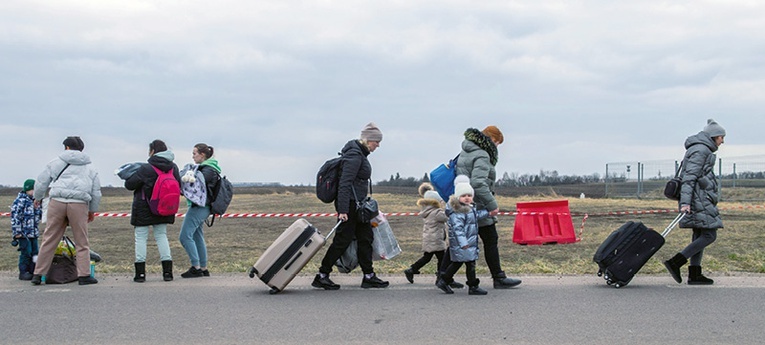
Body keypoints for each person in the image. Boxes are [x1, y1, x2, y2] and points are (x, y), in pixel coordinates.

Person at [439, 126, 522, 289]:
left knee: (459, 240)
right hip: (478, 204)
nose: (497, 147)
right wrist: (492, 205)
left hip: (464, 202)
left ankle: (443, 276)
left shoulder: (466, 150)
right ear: (491, 139)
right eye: (497, 142)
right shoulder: (483, 155)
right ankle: (498, 277)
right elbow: (478, 183)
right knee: (491, 239)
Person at [312, 122, 389, 290]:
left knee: (365, 239)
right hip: (351, 207)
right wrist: (343, 210)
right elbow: (344, 184)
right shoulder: (354, 156)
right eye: (377, 141)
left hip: (359, 207)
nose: (378, 145)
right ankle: (322, 275)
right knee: (342, 241)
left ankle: (368, 276)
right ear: (368, 140)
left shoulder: (359, 154)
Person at [31, 136, 101, 285]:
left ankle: (38, 274)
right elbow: (96, 192)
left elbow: (42, 181)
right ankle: (84, 275)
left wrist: (37, 197)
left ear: (67, 147)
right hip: (79, 203)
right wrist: (92, 210)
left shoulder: (55, 162)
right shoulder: (90, 167)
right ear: (82, 149)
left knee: (49, 238)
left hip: (57, 201)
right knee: (82, 241)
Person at [663, 119, 726, 285]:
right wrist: (685, 203)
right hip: (698, 200)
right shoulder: (701, 151)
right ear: (713, 136)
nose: (723, 141)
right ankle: (676, 262)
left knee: (700, 233)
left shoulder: (700, 149)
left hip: (700, 198)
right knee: (709, 235)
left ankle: (695, 274)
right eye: (721, 137)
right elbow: (689, 178)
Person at [124, 140, 181, 282]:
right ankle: (167, 273)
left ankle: (140, 274)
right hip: (163, 207)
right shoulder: (173, 167)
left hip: (144, 207)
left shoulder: (146, 168)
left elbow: (130, 185)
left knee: (141, 238)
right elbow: (179, 185)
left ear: (152, 151)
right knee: (162, 237)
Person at [436, 177, 496, 295]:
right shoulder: (457, 213)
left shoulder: (469, 209)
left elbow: (476, 216)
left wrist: (488, 213)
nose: (467, 198)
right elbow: (457, 230)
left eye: (469, 195)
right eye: (464, 196)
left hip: (469, 242)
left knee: (465, 263)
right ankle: (470, 285)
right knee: (464, 264)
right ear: (458, 197)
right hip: (463, 244)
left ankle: (447, 280)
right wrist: (463, 243)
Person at [179, 143, 220, 278]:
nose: (193, 156)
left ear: (202, 155)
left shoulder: (206, 170)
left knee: (185, 236)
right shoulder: (211, 168)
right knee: (197, 236)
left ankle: (195, 267)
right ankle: (203, 267)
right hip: (205, 207)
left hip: (199, 207)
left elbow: (194, 184)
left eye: (194, 153)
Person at [404, 183, 448, 284]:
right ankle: (440, 276)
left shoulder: (427, 211)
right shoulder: (437, 212)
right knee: (442, 258)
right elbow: (446, 217)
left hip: (430, 237)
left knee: (427, 257)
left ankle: (412, 269)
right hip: (436, 238)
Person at [11, 179, 42, 280]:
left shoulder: (35, 201)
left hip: (34, 233)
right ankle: (23, 272)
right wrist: (17, 232)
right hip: (23, 234)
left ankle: (34, 270)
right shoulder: (20, 201)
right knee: (26, 252)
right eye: (33, 190)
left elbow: (39, 216)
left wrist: (37, 207)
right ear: (27, 189)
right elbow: (15, 217)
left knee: (35, 252)